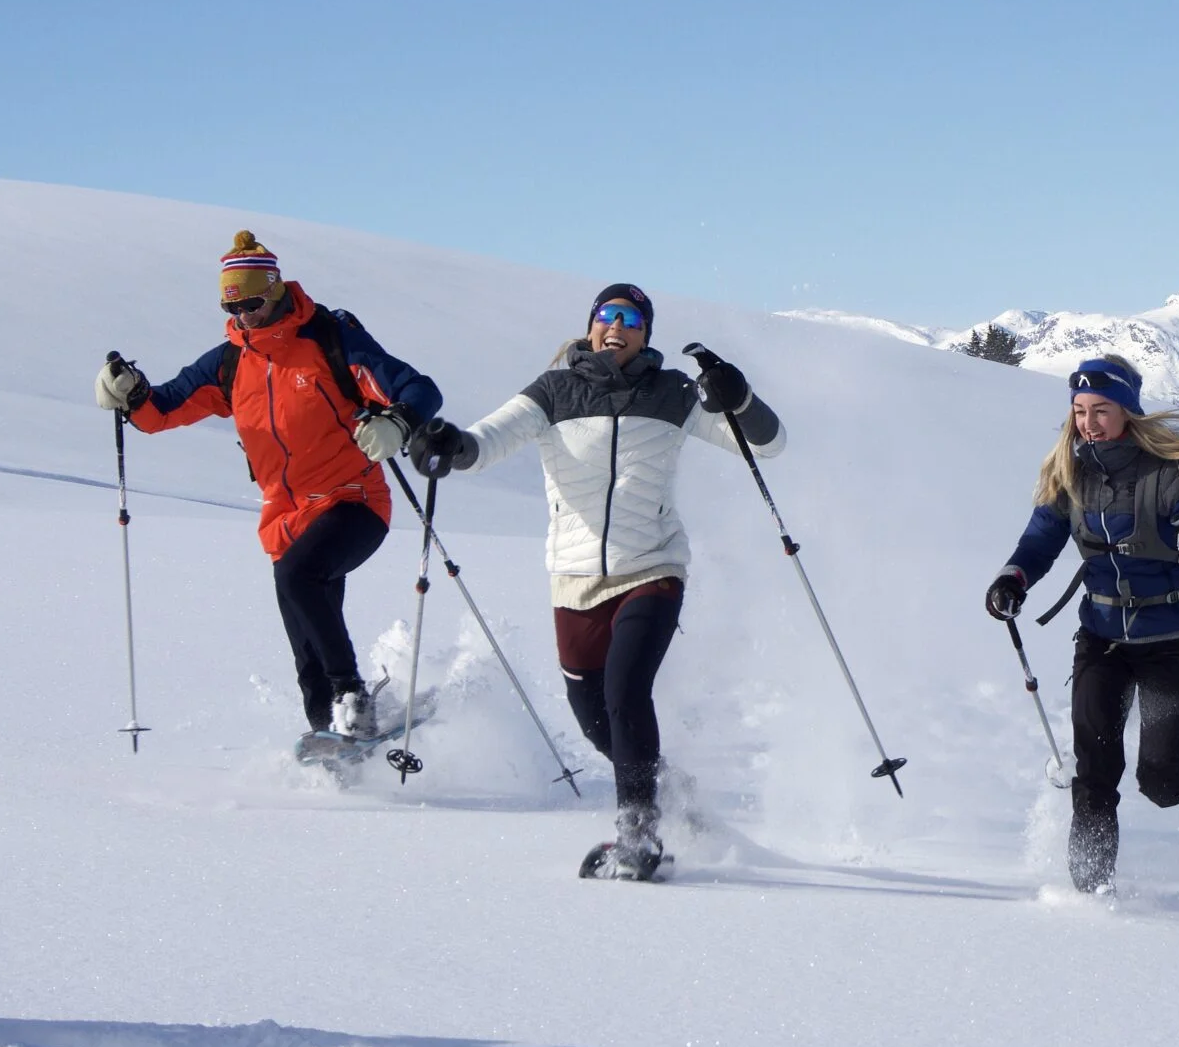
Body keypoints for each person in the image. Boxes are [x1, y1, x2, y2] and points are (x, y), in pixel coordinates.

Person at [405, 285, 782, 880]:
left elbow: (767, 443)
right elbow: (485, 443)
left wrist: (741, 398)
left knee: (626, 691)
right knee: (597, 721)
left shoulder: (674, 394)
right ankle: (665, 786)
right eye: (606, 316)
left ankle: (638, 833)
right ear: (589, 328)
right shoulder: (554, 391)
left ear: (645, 335)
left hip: (652, 567)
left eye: (631, 319)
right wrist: (449, 445)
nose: (617, 326)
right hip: (574, 579)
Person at [95, 232, 442, 741]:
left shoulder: (330, 339)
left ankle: (353, 697)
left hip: (354, 501)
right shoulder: (231, 360)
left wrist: (397, 421)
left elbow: (420, 389)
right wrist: (127, 393)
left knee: (299, 580)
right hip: (285, 519)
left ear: (276, 289)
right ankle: (332, 740)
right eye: (232, 307)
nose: (245, 317)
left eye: (253, 303)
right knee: (306, 655)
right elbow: (163, 409)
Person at [985, 354, 1179, 893]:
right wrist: (1013, 578)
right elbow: (1040, 539)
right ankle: (1091, 892)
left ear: (1128, 411)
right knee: (1094, 774)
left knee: (1159, 780)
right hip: (1102, 639)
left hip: (1170, 643)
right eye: (1080, 410)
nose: (1088, 421)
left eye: (1100, 409)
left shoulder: (1169, 473)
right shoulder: (1070, 473)